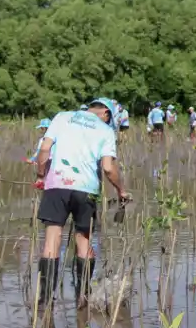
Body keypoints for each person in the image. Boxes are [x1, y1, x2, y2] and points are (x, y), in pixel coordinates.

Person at [34, 98, 130, 307]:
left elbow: (44, 149)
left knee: (52, 240)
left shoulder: (62, 117)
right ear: (105, 113)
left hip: (57, 184)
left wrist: (41, 175)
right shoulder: (105, 131)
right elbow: (107, 168)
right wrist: (120, 189)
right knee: (84, 241)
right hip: (87, 189)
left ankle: (45, 300)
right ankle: (82, 297)